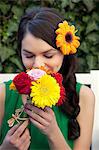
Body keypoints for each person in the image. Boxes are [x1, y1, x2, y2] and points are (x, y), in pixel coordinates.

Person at [0, 7, 95, 150]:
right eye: (29, 56)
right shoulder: (4, 93)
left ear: (64, 52)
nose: (38, 65)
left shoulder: (84, 96)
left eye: (48, 56)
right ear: (20, 53)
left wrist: (53, 133)